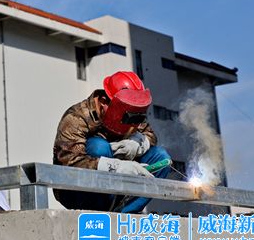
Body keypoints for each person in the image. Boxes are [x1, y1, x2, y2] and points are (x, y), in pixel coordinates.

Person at [53, 71, 171, 213]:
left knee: (161, 157)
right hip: (76, 190)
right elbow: (71, 162)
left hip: (117, 189)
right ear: (104, 102)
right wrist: (115, 167)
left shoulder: (133, 112)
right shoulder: (76, 118)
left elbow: (150, 135)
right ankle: (99, 211)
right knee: (99, 148)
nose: (131, 123)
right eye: (126, 115)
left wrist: (138, 143)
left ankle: (124, 212)